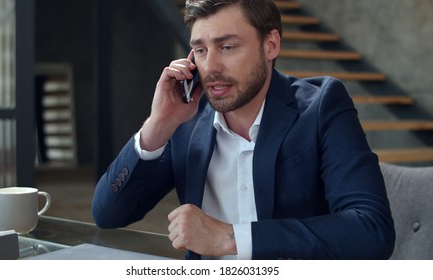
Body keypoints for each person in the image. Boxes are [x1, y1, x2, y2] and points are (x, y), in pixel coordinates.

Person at [92, 0, 395, 260]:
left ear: (270, 44)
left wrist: (230, 237)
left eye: (227, 46)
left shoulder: (322, 106)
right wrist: (157, 126)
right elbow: (108, 214)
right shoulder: (185, 121)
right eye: (200, 50)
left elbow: (371, 230)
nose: (211, 66)